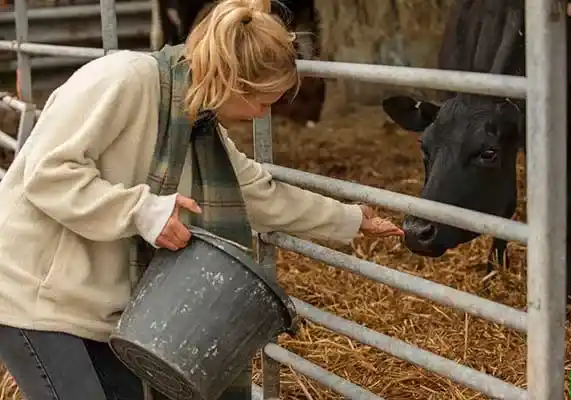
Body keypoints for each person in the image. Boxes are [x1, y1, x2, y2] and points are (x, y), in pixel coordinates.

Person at [0, 0, 404, 398]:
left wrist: (352, 219)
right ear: (231, 79)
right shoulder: (122, 80)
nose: (264, 114)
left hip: (100, 309)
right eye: (263, 100)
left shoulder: (200, 127)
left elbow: (260, 196)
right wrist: (143, 211)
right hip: (33, 292)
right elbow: (47, 173)